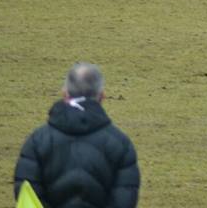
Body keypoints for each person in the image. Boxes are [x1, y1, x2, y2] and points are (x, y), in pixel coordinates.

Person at [13, 63, 140, 208]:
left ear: (65, 93)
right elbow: (124, 201)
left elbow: (27, 196)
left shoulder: (37, 141)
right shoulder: (121, 144)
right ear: (102, 96)